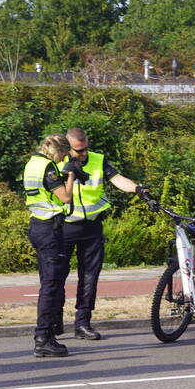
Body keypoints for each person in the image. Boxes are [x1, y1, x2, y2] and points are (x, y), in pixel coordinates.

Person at [58, 127, 153, 340]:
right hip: (64, 226)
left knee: (90, 277)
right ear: (67, 147)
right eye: (78, 151)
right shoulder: (57, 162)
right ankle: (55, 319)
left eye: (85, 149)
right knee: (57, 276)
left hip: (92, 226)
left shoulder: (98, 160)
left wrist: (137, 189)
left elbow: (117, 179)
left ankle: (82, 323)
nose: (83, 154)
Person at [23, 134, 75, 357]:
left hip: (37, 225)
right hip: (49, 229)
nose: (64, 159)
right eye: (63, 155)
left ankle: (50, 332)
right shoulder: (49, 167)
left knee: (50, 281)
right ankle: (43, 337)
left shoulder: (32, 163)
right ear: (58, 151)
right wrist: (71, 176)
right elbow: (64, 198)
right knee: (51, 285)